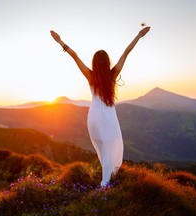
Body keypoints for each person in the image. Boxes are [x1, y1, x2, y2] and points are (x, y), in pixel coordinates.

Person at [49, 26, 151, 187]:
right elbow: (126, 53)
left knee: (103, 146)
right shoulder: (113, 74)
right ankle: (106, 182)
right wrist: (138, 36)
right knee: (113, 145)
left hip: (94, 116)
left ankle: (107, 177)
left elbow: (74, 56)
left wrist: (60, 41)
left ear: (95, 63)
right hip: (108, 115)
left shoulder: (90, 76)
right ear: (107, 63)